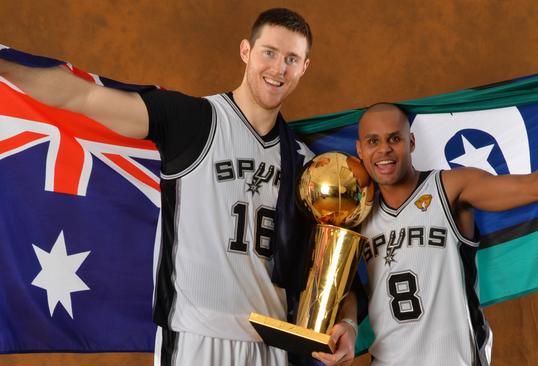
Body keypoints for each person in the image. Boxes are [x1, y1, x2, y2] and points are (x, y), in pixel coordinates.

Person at [0, 8, 356, 366]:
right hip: (196, 339)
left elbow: (333, 266)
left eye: (291, 59)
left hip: (272, 346)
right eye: (270, 52)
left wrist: (349, 324)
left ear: (304, 67)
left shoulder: (307, 164)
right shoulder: (194, 120)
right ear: (246, 51)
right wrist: (6, 68)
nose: (278, 68)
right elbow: (81, 97)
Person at [354, 70, 538, 365]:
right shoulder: (357, 213)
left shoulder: (450, 188)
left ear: (411, 142)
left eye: (393, 138)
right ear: (359, 150)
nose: (384, 149)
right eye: (373, 141)